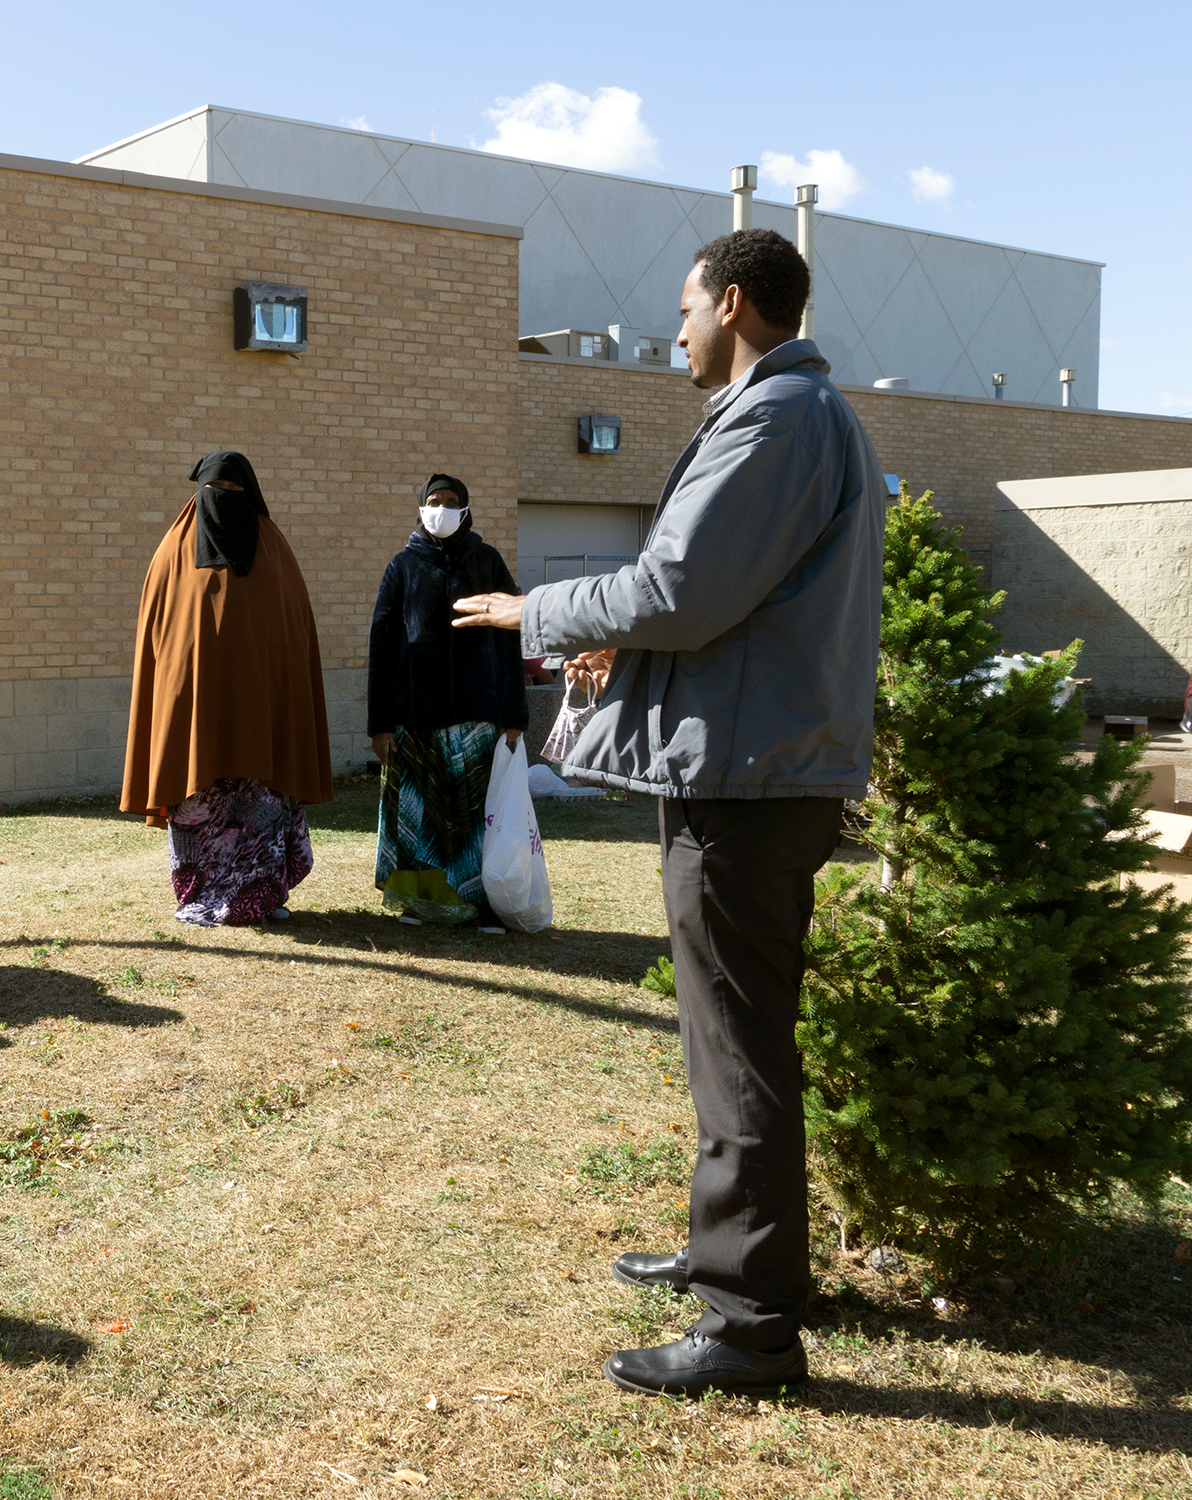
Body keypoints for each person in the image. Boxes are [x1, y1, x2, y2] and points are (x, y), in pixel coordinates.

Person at [454, 228, 885, 1397]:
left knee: (740, 1054)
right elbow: (734, 609)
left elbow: (681, 591)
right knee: (724, 1044)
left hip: (749, 785)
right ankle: (723, 1253)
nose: (677, 336)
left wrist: (535, 614)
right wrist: (623, 660)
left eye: (685, 313)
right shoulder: (790, 418)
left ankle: (748, 1329)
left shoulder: (778, 419)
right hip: (751, 769)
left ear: (733, 302)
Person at [121, 450, 332, 925]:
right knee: (200, 799)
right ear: (199, 494)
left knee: (261, 800)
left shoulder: (275, 553)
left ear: (251, 495)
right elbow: (161, 636)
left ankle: (261, 893)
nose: (225, 501)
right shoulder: (172, 554)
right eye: (216, 492)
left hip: (263, 710)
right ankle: (199, 894)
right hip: (196, 709)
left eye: (236, 492)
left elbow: (292, 636)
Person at [366, 474, 528, 928]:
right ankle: (421, 902)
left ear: (466, 509)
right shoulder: (403, 566)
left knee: (476, 820)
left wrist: (514, 713)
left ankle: (482, 906)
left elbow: (511, 638)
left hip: (478, 715)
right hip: (413, 716)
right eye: (433, 501)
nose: (441, 508)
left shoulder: (487, 561)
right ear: (420, 509)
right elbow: (382, 643)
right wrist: (379, 722)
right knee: (418, 816)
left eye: (450, 501)